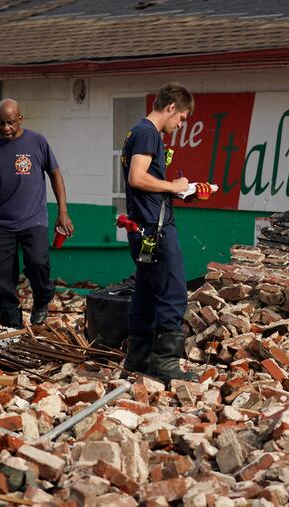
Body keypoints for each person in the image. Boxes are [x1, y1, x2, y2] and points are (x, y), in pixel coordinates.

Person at [0, 98, 73, 328]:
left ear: (20, 119)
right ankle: (11, 321)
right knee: (0, 276)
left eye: (11, 122)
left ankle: (42, 300)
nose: (6, 128)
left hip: (33, 219)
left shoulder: (37, 142)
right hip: (0, 222)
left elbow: (55, 174)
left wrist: (62, 212)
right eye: (1, 123)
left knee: (37, 263)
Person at [120, 83, 197, 382]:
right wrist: (174, 187)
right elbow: (137, 177)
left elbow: (143, 179)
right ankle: (165, 364)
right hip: (155, 227)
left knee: (147, 292)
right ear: (171, 108)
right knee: (173, 291)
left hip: (143, 226)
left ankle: (137, 358)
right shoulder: (147, 133)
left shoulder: (138, 132)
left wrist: (180, 192)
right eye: (181, 118)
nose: (180, 125)